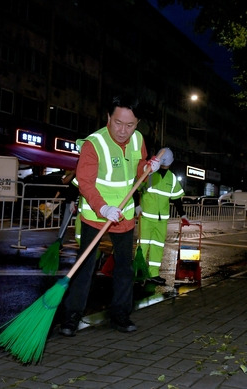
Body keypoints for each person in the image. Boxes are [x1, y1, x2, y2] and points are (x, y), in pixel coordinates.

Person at [59, 95, 161, 337]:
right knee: (85, 267)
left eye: (130, 125)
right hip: (96, 215)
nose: (123, 130)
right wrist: (103, 208)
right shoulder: (94, 144)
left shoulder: (138, 140)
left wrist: (148, 167)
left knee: (124, 268)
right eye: (118, 123)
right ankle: (72, 317)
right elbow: (84, 182)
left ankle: (120, 314)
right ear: (108, 117)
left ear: (137, 124)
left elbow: (138, 172)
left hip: (124, 217)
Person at [134, 147, 190, 285]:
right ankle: (138, 272)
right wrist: (136, 205)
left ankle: (153, 273)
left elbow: (176, 198)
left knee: (157, 246)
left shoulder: (171, 178)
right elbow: (135, 188)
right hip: (146, 217)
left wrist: (182, 214)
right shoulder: (149, 173)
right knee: (144, 245)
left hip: (161, 219)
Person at [56, 169, 79, 250]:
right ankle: (59, 242)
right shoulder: (73, 175)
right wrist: (72, 201)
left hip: (80, 202)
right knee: (65, 223)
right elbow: (66, 182)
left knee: (81, 225)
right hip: (72, 202)